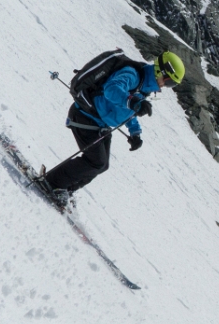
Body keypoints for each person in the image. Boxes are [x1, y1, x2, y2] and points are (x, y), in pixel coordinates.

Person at [39, 50, 185, 207]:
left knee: (102, 165)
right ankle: (52, 183)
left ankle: (65, 190)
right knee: (96, 161)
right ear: (161, 71)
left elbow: (128, 110)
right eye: (169, 82)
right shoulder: (133, 74)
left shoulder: (145, 86)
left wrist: (135, 132)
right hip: (85, 116)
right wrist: (132, 101)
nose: (167, 86)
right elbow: (111, 89)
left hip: (99, 123)